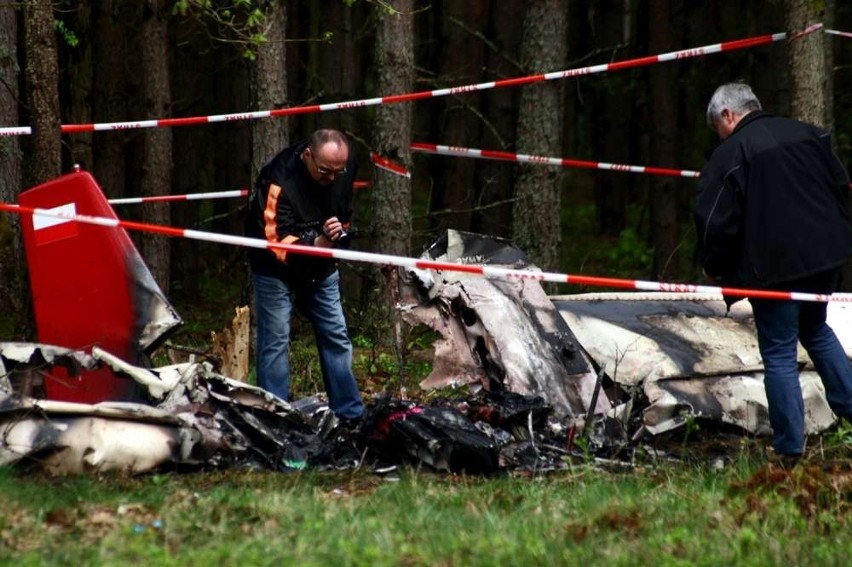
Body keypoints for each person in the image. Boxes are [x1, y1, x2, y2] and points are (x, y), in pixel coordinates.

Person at [694, 82, 852, 460]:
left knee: (780, 353)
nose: (719, 136)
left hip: (775, 268)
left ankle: (788, 450)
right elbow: (841, 185)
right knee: (816, 329)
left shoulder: (732, 152)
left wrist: (714, 267)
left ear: (728, 115)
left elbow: (714, 219)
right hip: (825, 258)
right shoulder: (809, 135)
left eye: (718, 127)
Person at [246, 128, 364, 420]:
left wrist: (339, 237)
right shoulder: (279, 180)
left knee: (336, 335)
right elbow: (275, 243)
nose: (331, 178)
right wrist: (317, 244)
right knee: (275, 339)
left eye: (339, 171)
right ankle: (275, 416)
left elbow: (344, 212)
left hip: (322, 264)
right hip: (275, 267)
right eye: (325, 170)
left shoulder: (341, 171)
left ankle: (350, 414)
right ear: (308, 155)